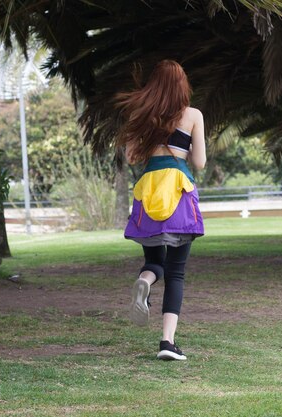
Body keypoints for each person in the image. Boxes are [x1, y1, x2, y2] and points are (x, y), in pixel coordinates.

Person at [115, 60, 206, 361]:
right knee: (177, 271)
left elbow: (130, 157)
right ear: (183, 85)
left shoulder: (139, 114)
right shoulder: (192, 115)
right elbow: (200, 163)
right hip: (178, 189)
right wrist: (186, 146)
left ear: (153, 84)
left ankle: (146, 281)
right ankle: (167, 342)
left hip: (149, 188)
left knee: (154, 260)